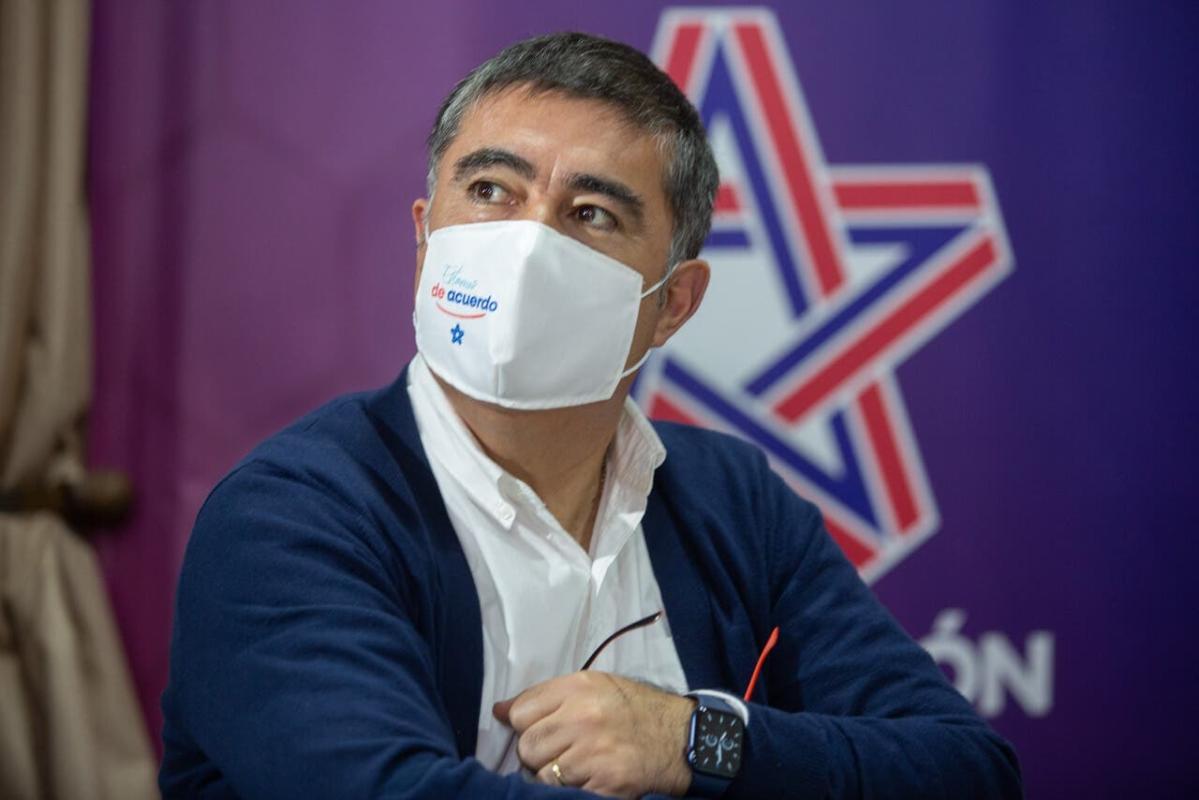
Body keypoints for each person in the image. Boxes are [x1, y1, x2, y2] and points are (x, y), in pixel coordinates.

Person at [159, 32, 1022, 800]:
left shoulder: (733, 500)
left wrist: (690, 739)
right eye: (491, 190)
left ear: (672, 303)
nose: (528, 244)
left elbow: (963, 770)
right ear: (425, 240)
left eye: (591, 213)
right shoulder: (291, 515)